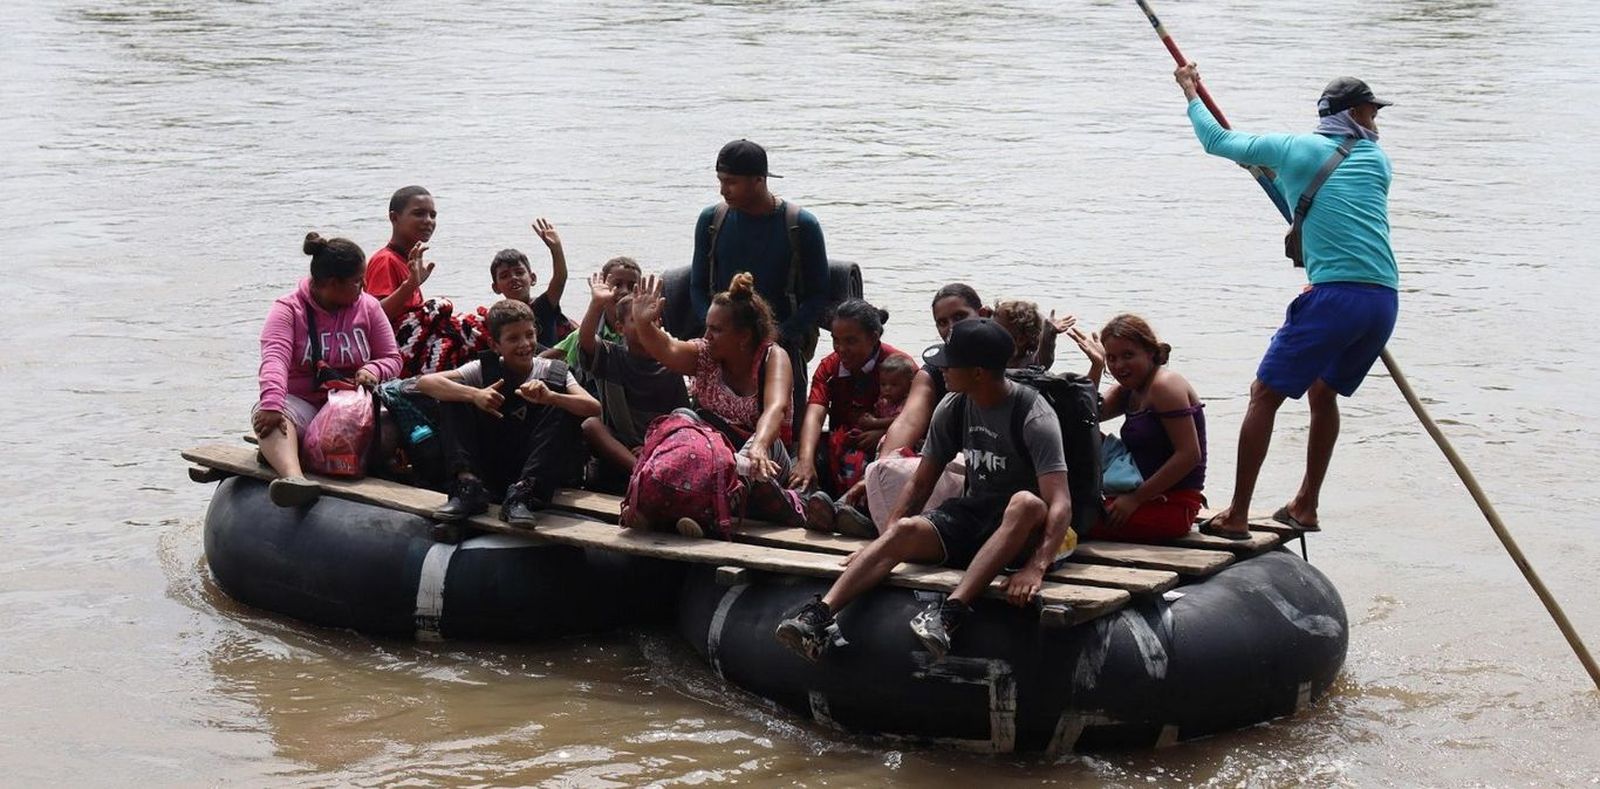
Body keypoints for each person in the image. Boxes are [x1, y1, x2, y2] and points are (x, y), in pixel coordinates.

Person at [1176, 64, 1400, 538]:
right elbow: (1321, 202)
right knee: (1323, 392)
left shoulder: (1297, 148)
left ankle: (1236, 515)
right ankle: (1306, 505)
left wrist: (1191, 92)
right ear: (1349, 114)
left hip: (1336, 298)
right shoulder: (1378, 162)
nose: (1376, 119)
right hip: (1381, 300)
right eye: (1370, 110)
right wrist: (1272, 177)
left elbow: (1216, 141)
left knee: (1264, 395)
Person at [774, 318, 1076, 662]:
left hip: (1025, 529)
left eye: (950, 363)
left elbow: (1060, 501)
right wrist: (885, 542)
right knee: (903, 529)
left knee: (1024, 502)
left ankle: (951, 614)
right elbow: (921, 483)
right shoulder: (954, 406)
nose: (941, 370)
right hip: (975, 514)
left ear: (978, 372)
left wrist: (1036, 567)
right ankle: (819, 615)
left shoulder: (1033, 414)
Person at [630, 271, 806, 534]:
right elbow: (667, 348)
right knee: (681, 418)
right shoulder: (705, 355)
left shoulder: (773, 357)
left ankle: (710, 511)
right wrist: (644, 324)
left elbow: (776, 408)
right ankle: (663, 503)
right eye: (707, 327)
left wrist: (758, 447)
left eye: (716, 329)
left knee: (748, 455)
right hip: (712, 459)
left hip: (764, 458)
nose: (707, 335)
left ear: (743, 336)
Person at [689, 139, 828, 437]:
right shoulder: (711, 221)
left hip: (782, 343)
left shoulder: (800, 225)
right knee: (709, 430)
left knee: (784, 431)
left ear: (759, 180)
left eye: (731, 182)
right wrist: (713, 330)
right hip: (723, 346)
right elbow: (697, 286)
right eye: (720, 181)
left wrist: (777, 336)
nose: (723, 190)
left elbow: (819, 295)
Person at [420, 299, 600, 528]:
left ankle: (521, 495)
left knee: (564, 408)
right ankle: (468, 487)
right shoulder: (481, 369)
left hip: (534, 467)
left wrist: (551, 397)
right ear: (495, 345)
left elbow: (594, 407)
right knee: (452, 397)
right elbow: (427, 383)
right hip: (492, 462)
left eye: (529, 335)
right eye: (513, 338)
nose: (524, 344)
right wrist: (475, 394)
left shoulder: (552, 372)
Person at [254, 233, 402, 507]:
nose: (364, 286)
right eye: (358, 281)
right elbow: (275, 359)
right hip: (305, 405)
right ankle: (294, 478)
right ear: (333, 284)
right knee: (271, 418)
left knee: (396, 421)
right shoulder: (288, 310)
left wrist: (374, 369)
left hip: (351, 407)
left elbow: (392, 357)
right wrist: (272, 404)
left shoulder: (368, 307)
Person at [1078, 315, 1207, 543]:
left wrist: (1135, 499)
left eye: (1128, 355)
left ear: (1150, 352)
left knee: (1070, 518)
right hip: (1133, 487)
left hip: (1172, 503)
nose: (1119, 366)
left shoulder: (1164, 386)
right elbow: (1084, 419)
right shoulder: (1130, 388)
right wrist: (1096, 366)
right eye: (1112, 358)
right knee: (1082, 435)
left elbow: (1189, 455)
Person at [576, 272, 690, 490]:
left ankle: (649, 472)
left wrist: (652, 444)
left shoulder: (670, 364)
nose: (646, 323)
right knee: (591, 425)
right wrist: (597, 303)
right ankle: (643, 472)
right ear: (620, 328)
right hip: (621, 450)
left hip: (660, 447)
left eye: (652, 318)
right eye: (635, 319)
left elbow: (682, 419)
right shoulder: (611, 357)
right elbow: (587, 340)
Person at [788, 299, 910, 499]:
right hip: (842, 445)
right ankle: (808, 504)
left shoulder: (902, 368)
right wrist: (805, 461)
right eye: (836, 340)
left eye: (850, 341)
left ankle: (854, 512)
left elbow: (917, 419)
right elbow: (815, 415)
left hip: (884, 450)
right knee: (800, 466)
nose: (841, 348)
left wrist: (883, 432)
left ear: (873, 337)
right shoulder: (829, 367)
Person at [487, 218, 571, 345]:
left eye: (519, 273)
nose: (513, 278)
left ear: (533, 278)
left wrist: (556, 248)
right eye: (505, 276)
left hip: (547, 363)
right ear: (496, 287)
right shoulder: (498, 317)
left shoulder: (543, 306)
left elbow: (560, 279)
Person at [546, 256, 642, 368]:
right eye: (617, 285)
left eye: (631, 287)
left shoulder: (643, 333)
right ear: (603, 287)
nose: (625, 291)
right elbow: (547, 357)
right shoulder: (587, 331)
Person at [365, 185, 437, 326]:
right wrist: (410, 286)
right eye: (419, 214)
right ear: (394, 218)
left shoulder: (406, 260)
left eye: (432, 215)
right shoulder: (385, 260)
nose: (428, 220)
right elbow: (375, 315)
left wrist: (414, 283)